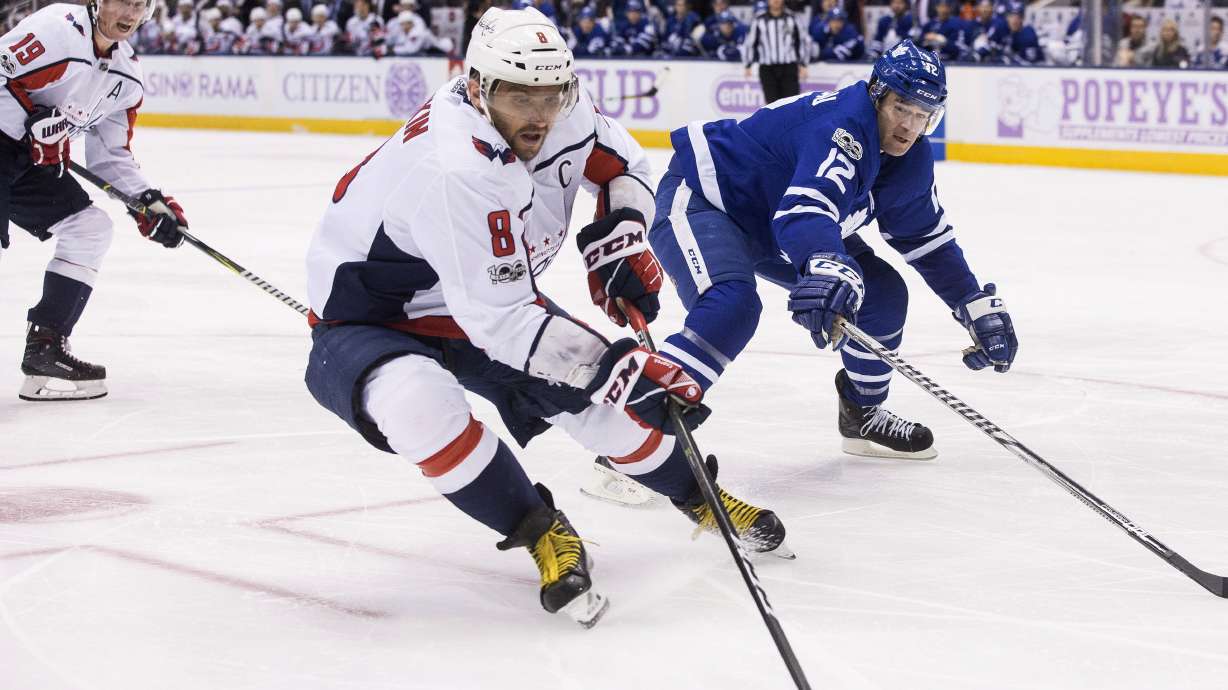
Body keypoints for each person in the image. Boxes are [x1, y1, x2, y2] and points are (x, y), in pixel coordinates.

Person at [303, 7, 789, 628]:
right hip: (372, 313)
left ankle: (702, 496)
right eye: (518, 95)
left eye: (550, 93)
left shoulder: (564, 110)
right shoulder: (455, 165)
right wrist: (618, 369)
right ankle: (538, 529)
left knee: (597, 406)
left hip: (476, 296)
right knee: (418, 406)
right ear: (478, 88)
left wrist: (620, 231)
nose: (538, 114)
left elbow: (626, 167)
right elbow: (502, 321)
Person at [644, 40, 1018, 461]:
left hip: (777, 224)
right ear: (877, 95)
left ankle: (862, 413)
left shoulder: (908, 158)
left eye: (922, 115)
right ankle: (639, 430)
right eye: (901, 109)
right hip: (709, 201)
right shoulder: (841, 128)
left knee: (883, 295)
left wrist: (971, 300)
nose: (909, 127)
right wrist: (825, 263)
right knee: (732, 305)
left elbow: (925, 239)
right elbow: (807, 208)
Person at [0, 0, 188, 401]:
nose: (131, 12)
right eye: (124, 0)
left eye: (141, 4)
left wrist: (148, 202)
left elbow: (110, 155)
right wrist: (26, 122)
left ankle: (46, 349)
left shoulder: (126, 77)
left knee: (89, 227)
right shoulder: (57, 30)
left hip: (25, 160)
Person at [743, 0, 810, 104]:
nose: (776, 1)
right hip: (767, 68)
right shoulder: (759, 19)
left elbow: (802, 40)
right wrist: (748, 64)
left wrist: (803, 63)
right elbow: (750, 42)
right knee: (771, 105)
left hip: (788, 67)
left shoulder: (792, 17)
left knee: (791, 103)